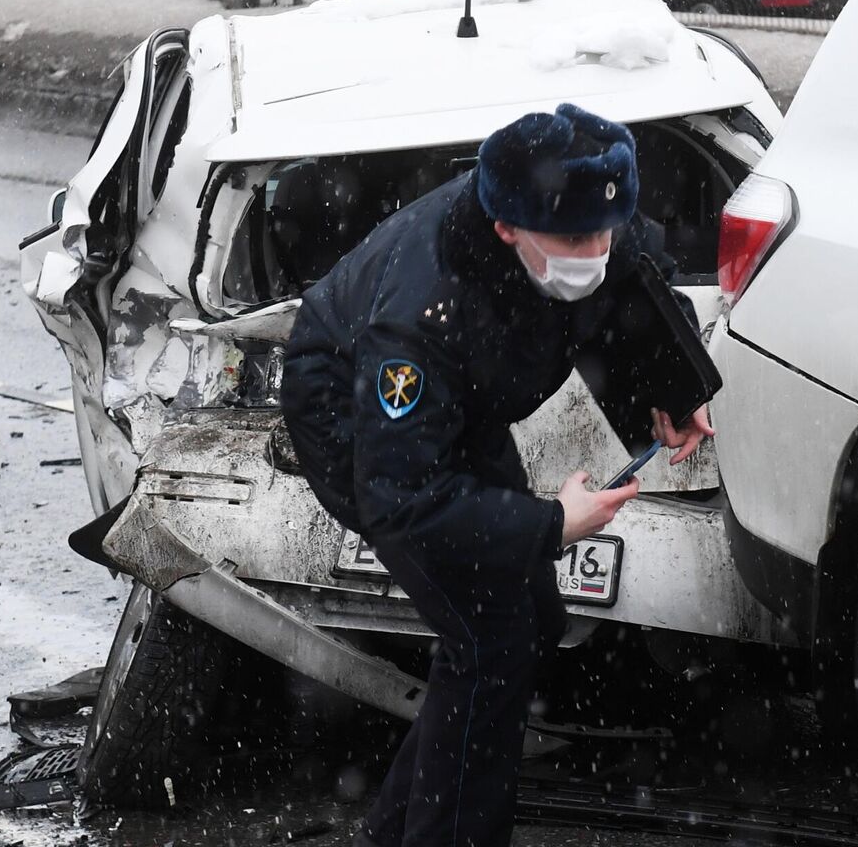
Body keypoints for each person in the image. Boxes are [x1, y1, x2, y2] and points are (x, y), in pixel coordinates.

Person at [280, 104, 715, 847]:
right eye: (574, 238)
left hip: (462, 408)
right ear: (506, 226)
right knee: (489, 647)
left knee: (528, 625)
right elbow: (402, 501)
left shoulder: (579, 222)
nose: (595, 251)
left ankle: (394, 832)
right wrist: (553, 525)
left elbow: (632, 274)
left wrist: (669, 386)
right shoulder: (417, 320)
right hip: (356, 421)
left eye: (603, 231)